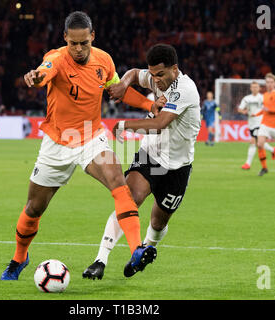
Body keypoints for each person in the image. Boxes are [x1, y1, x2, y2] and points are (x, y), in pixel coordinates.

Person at [1, 11, 158, 281]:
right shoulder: (56, 59)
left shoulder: (104, 60)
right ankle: (19, 258)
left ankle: (136, 249)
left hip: (89, 134)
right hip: (56, 141)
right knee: (34, 208)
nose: (78, 49)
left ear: (92, 37)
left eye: (83, 42)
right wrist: (35, 78)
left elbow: (118, 90)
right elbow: (43, 74)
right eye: (73, 43)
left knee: (116, 177)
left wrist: (148, 104)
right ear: (65, 39)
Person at [82, 44, 201, 280]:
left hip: (178, 166)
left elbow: (159, 124)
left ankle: (146, 247)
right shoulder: (155, 77)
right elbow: (135, 74)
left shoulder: (185, 89)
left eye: (160, 75)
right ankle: (100, 260)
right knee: (129, 197)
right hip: (150, 155)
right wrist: (124, 83)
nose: (155, 80)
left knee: (158, 221)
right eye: (153, 74)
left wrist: (125, 124)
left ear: (174, 69)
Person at [238, 82, 275, 170]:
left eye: (256, 87)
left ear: (259, 88)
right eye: (253, 87)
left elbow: (268, 108)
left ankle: (248, 164)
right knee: (259, 143)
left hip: (261, 123)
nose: (255, 88)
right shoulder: (247, 99)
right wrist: (245, 112)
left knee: (253, 142)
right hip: (251, 123)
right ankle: (272, 150)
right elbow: (240, 109)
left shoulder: (263, 98)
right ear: (250, 88)